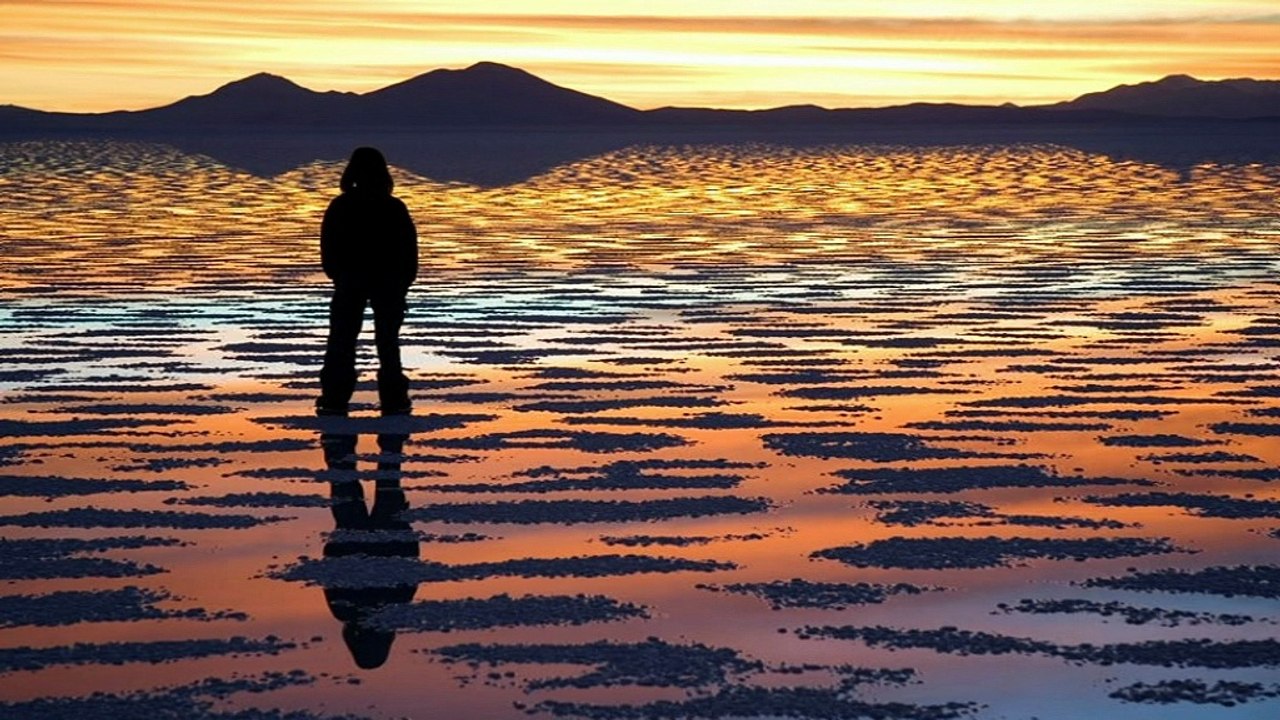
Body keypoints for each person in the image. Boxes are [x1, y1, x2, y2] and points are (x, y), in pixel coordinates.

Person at [317, 147, 418, 416]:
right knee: (386, 343)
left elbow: (328, 249)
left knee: (342, 341)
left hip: (354, 282)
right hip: (384, 283)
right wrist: (402, 283)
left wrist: (339, 276)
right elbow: (409, 252)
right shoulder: (393, 206)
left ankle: (334, 397)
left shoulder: (341, 206)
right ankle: (393, 398)